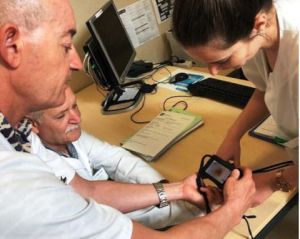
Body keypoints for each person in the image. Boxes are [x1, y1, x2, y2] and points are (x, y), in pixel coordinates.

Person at [0, 0, 256, 238]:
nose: (77, 64)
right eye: (66, 46)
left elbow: (89, 191)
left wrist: (176, 190)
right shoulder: (16, 188)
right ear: (12, 44)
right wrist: (233, 209)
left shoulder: (20, 133)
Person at [27, 86, 218, 229]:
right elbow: (109, 214)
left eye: (74, 106)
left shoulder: (65, 135)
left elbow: (118, 159)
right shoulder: (41, 171)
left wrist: (165, 188)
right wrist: (194, 207)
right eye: (61, 116)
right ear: (32, 125)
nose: (76, 118)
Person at [172, 0, 298, 204]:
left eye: (222, 60)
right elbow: (267, 88)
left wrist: (275, 182)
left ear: (258, 25)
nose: (213, 71)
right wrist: (233, 135)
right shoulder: (262, 30)